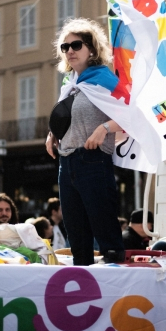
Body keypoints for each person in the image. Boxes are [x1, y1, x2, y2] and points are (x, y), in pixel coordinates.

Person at [45, 18, 125, 265]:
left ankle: (117, 299)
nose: (69, 51)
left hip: (93, 162)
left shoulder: (104, 78)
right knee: (78, 243)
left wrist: (104, 128)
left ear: (92, 49)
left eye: (76, 45)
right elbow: (68, 117)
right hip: (66, 164)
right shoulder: (69, 85)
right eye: (65, 47)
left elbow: (134, 116)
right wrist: (53, 133)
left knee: (107, 239)